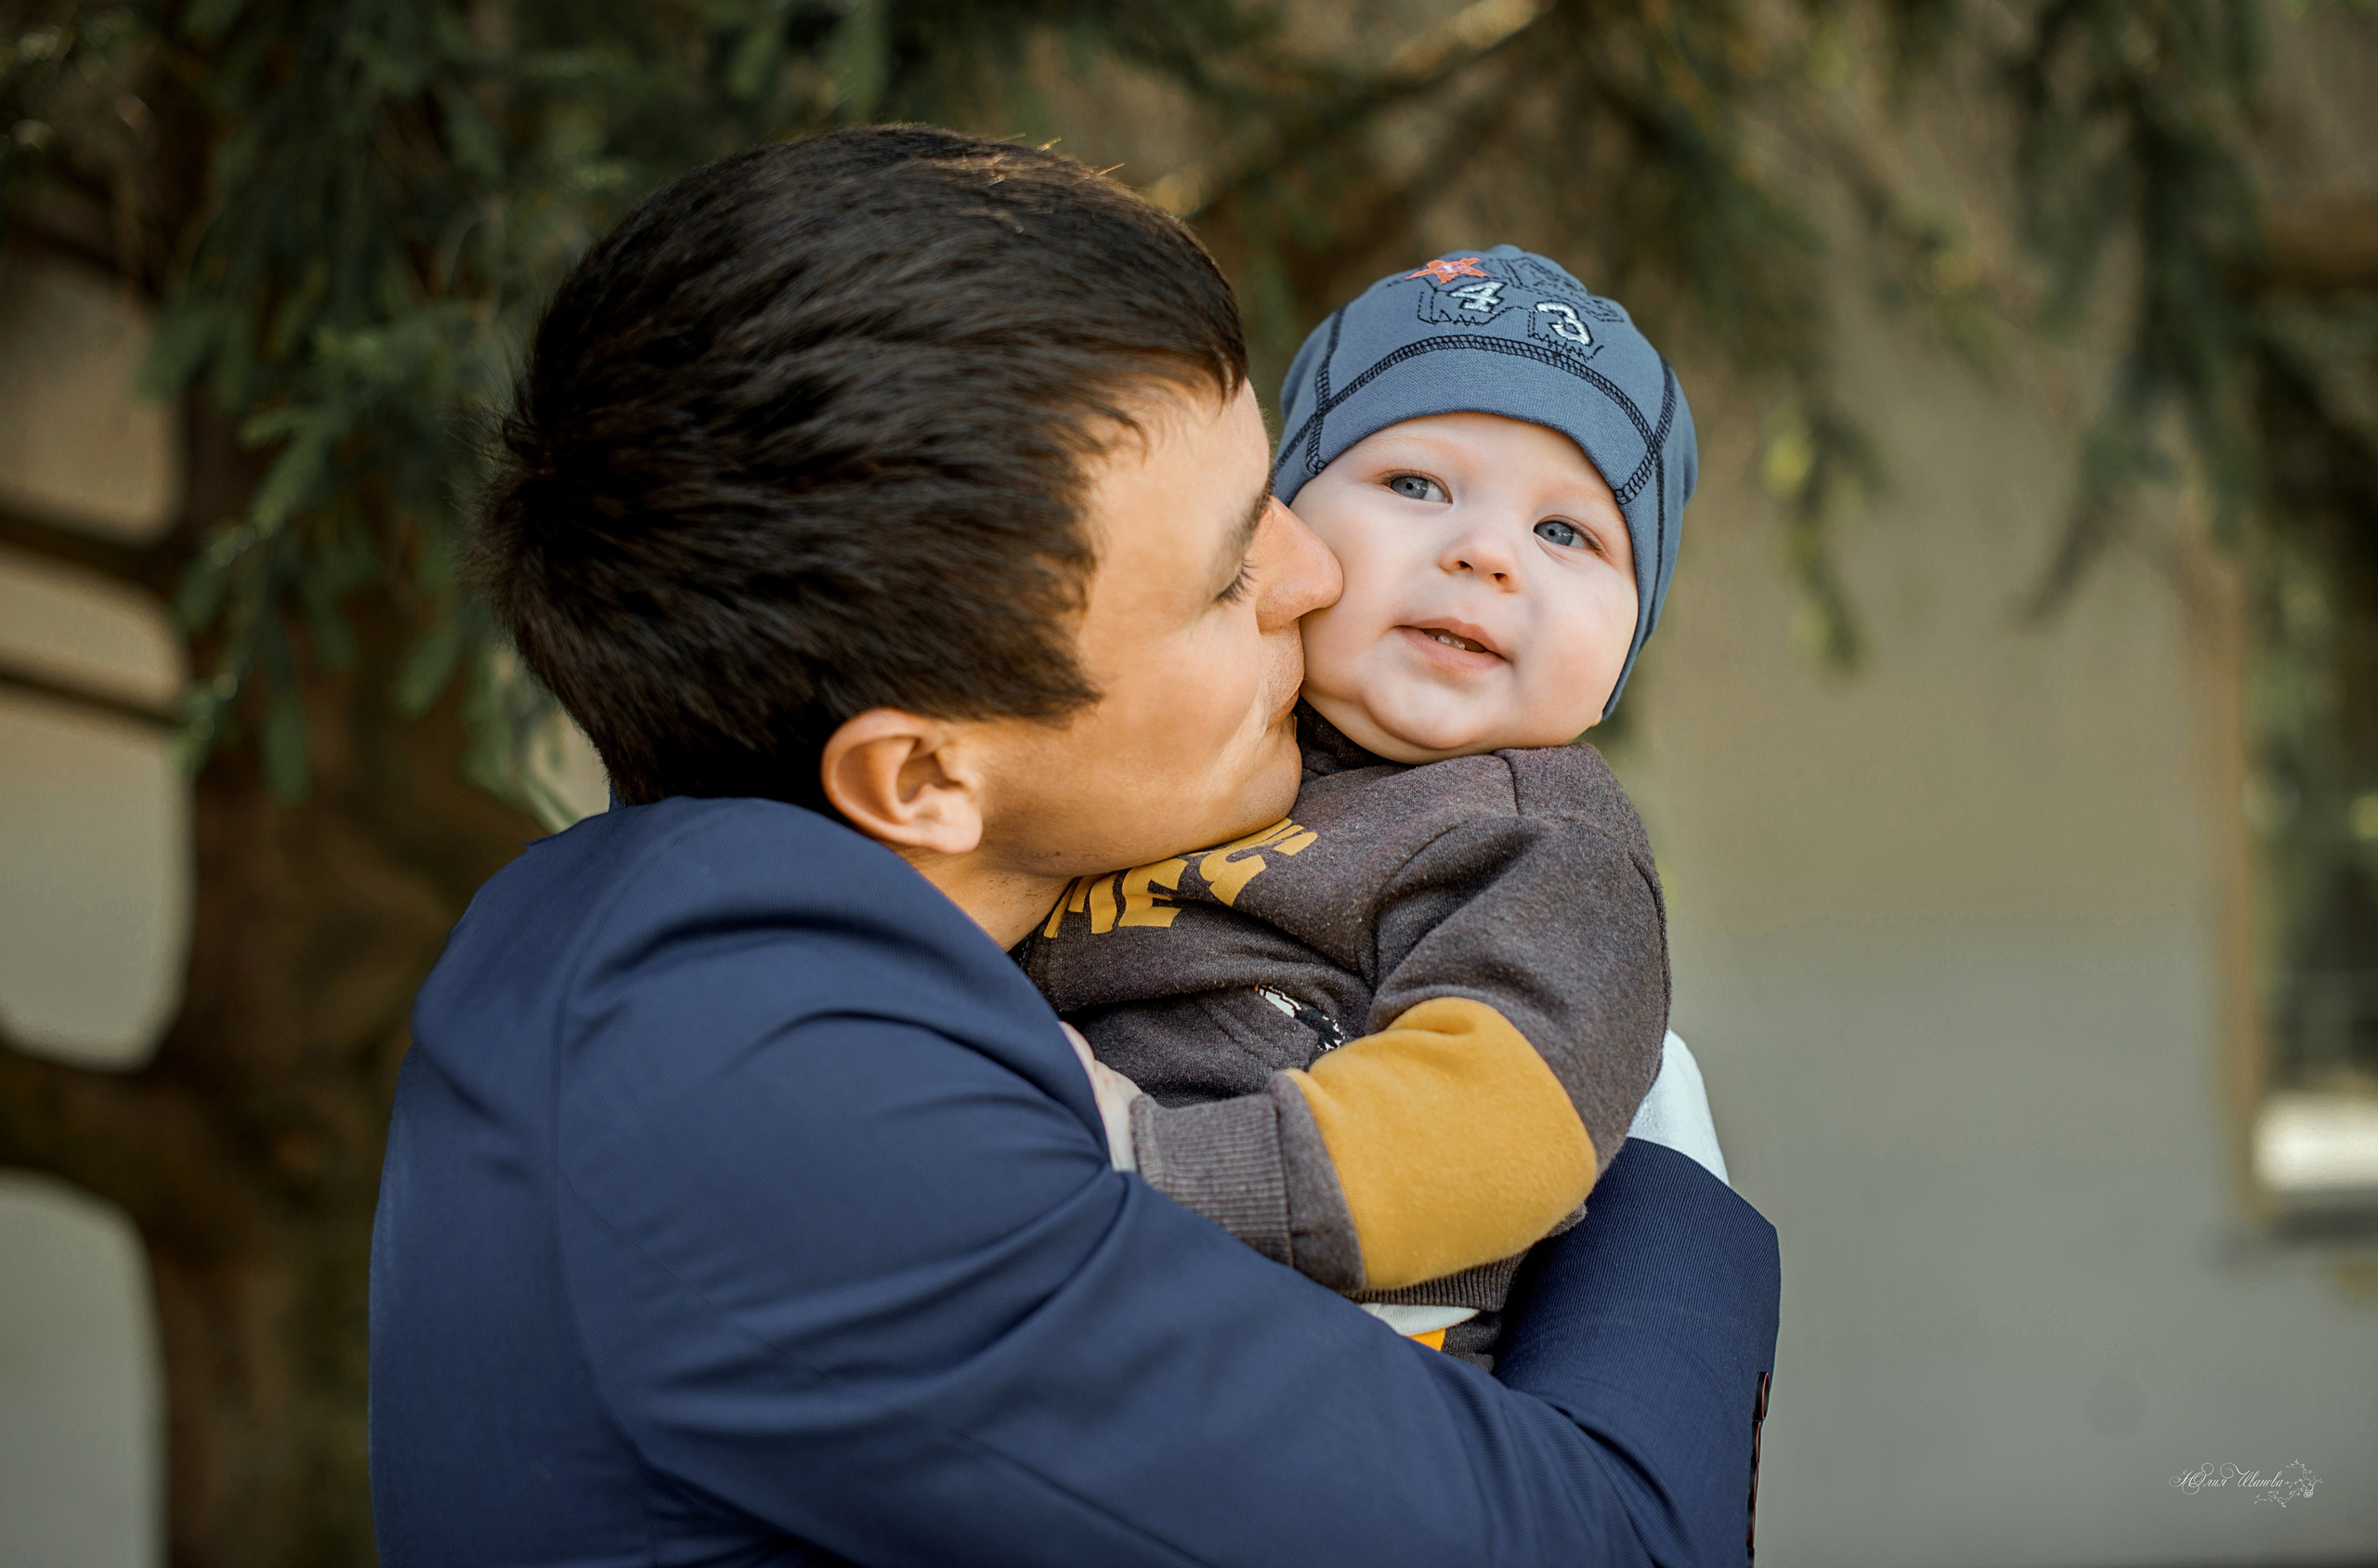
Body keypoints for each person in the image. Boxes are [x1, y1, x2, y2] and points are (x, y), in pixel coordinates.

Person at [368, 125, 1778, 1567]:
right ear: (922, 776)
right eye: (1229, 575)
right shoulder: (798, 1113)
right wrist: (1652, 1175)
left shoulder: (635, 941)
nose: (1315, 570)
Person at [1018, 245, 1691, 1366]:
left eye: (1565, 531)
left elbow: (1498, 1124)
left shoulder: (1539, 836)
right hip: (1049, 1258)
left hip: (1333, 1342)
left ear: (1627, 640)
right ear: (1279, 527)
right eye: (1415, 485)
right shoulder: (1184, 733)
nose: (1483, 553)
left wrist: (1150, 1165)